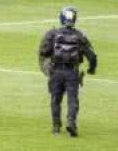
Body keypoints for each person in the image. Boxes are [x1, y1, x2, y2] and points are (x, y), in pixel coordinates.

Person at [39, 7, 98, 137]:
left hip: (56, 71)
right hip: (72, 72)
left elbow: (44, 51)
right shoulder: (79, 36)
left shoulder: (53, 34)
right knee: (72, 99)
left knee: (55, 99)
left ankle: (56, 126)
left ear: (61, 18)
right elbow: (92, 56)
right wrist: (91, 69)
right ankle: (71, 122)